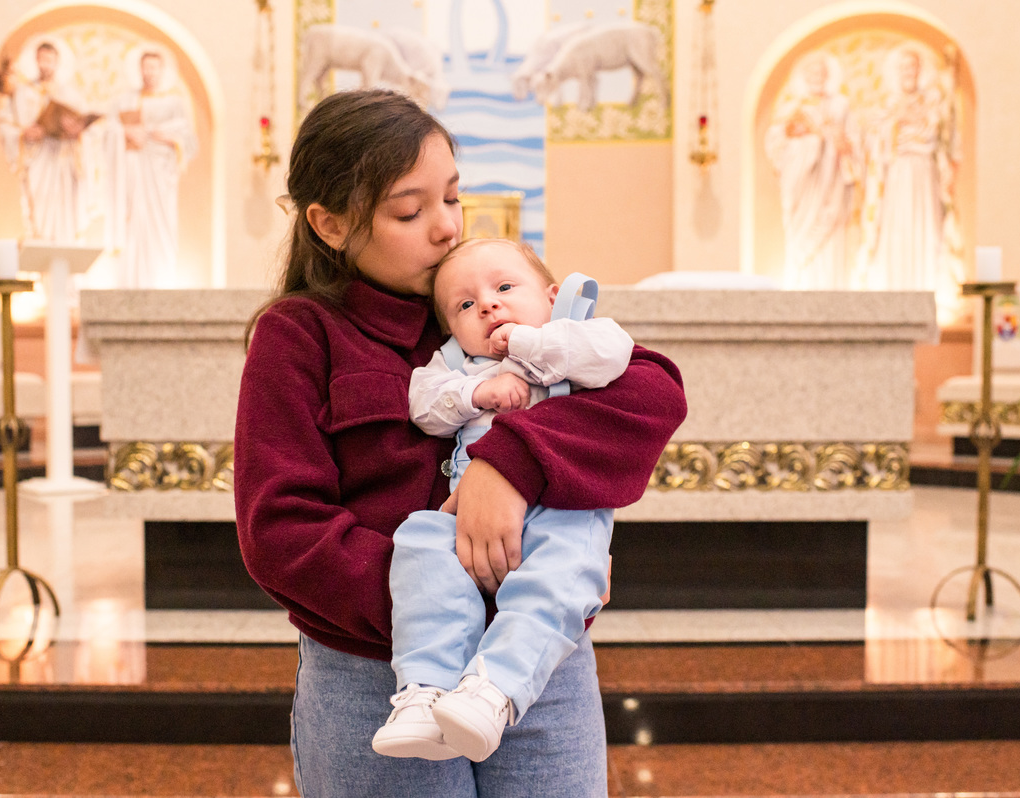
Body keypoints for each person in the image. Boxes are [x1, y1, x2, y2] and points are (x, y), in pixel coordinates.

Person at [234, 88, 687, 797]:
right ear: (329, 223)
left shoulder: (488, 297)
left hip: (538, 659)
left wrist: (505, 470)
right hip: (374, 672)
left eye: (453, 197)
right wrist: (441, 595)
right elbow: (281, 529)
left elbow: (650, 390)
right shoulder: (300, 336)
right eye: (410, 211)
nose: (446, 228)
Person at [370, 238, 633, 764]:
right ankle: (425, 690)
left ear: (553, 296)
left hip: (564, 511)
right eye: (465, 305)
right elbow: (423, 406)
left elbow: (614, 358)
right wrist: (475, 395)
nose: (487, 305)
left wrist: (530, 344)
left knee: (558, 579)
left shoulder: (576, 337)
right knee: (420, 541)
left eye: (505, 288)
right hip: (467, 517)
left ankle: (495, 691)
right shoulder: (455, 363)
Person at [862, 47, 958, 292]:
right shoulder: (888, 104)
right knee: (897, 229)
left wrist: (910, 126)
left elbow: (932, 136)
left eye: (913, 67)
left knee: (925, 229)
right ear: (896, 72)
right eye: (903, 67)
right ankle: (893, 291)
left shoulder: (932, 102)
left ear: (920, 70)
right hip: (896, 173)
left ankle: (928, 289)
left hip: (924, 174)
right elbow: (873, 139)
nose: (909, 72)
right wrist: (897, 122)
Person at [765, 53, 859, 290]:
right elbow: (776, 142)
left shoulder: (840, 106)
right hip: (801, 184)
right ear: (803, 77)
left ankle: (832, 290)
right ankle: (798, 282)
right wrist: (804, 141)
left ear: (828, 76)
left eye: (821, 72)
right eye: (811, 73)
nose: (816, 77)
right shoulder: (791, 108)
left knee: (831, 232)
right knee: (800, 235)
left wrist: (836, 141)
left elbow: (853, 143)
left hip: (831, 184)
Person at [110, 49, 198, 288]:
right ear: (139, 70)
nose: (149, 72)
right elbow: (109, 129)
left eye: (154, 67)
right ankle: (132, 281)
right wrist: (125, 133)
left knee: (162, 223)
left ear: (162, 70)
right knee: (134, 222)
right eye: (145, 67)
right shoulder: (126, 100)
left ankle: (160, 278)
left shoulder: (174, 103)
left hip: (161, 175)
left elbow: (188, 139)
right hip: (134, 171)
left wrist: (167, 137)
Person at [0, 42, 92, 242]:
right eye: (41, 59)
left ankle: (66, 242)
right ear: (35, 61)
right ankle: (40, 239)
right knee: (40, 207)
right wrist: (24, 133)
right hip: (38, 158)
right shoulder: (23, 92)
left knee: (64, 207)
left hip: (64, 158)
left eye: (49, 60)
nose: (45, 65)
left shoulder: (70, 94)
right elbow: (5, 123)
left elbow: (86, 126)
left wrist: (76, 130)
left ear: (57, 62)